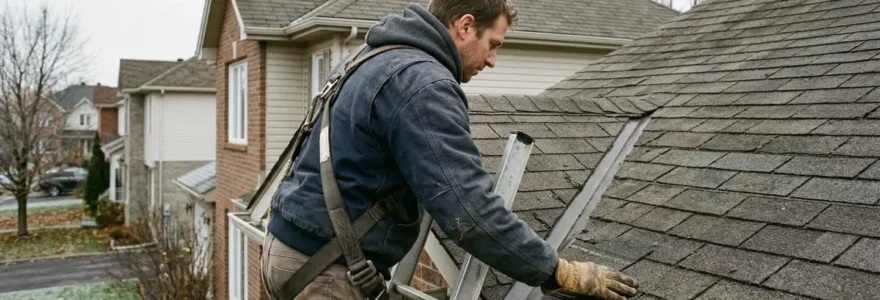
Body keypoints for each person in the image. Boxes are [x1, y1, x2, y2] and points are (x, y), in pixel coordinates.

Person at [261, 1, 640, 299]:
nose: (492, 60)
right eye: (492, 45)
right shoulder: (422, 84)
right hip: (329, 272)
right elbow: (469, 211)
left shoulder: (368, 56)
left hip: (287, 249)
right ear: (465, 26)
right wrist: (558, 271)